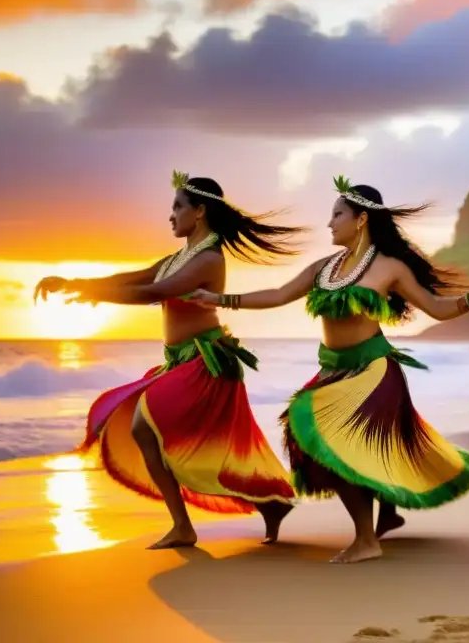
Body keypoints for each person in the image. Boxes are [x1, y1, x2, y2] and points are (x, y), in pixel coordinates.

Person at [188, 176, 469, 564]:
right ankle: (387, 513)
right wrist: (219, 299)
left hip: (374, 371)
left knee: (325, 434)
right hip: (333, 370)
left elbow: (439, 309)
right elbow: (278, 295)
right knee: (312, 441)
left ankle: (367, 539)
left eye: (337, 215)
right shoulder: (324, 268)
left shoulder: (390, 267)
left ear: (361, 219)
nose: (330, 223)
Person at [33, 172, 305, 549]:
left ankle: (184, 526)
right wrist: (77, 283)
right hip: (179, 360)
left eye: (178, 206)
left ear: (200, 211)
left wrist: (97, 293)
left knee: (146, 426)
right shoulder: (180, 256)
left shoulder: (208, 258)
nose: (171, 215)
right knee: (199, 443)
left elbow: (157, 291)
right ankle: (266, 506)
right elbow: (137, 277)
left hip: (206, 361)